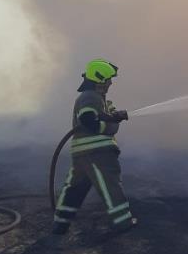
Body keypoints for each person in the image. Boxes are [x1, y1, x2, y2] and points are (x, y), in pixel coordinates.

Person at [52, 59, 136, 236]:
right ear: (99, 79)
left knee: (75, 189)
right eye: (108, 79)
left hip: (83, 153)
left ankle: (60, 224)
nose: (111, 83)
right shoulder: (90, 96)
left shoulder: (99, 99)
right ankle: (123, 223)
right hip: (98, 153)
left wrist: (115, 116)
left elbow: (106, 115)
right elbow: (89, 121)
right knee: (110, 185)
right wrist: (111, 126)